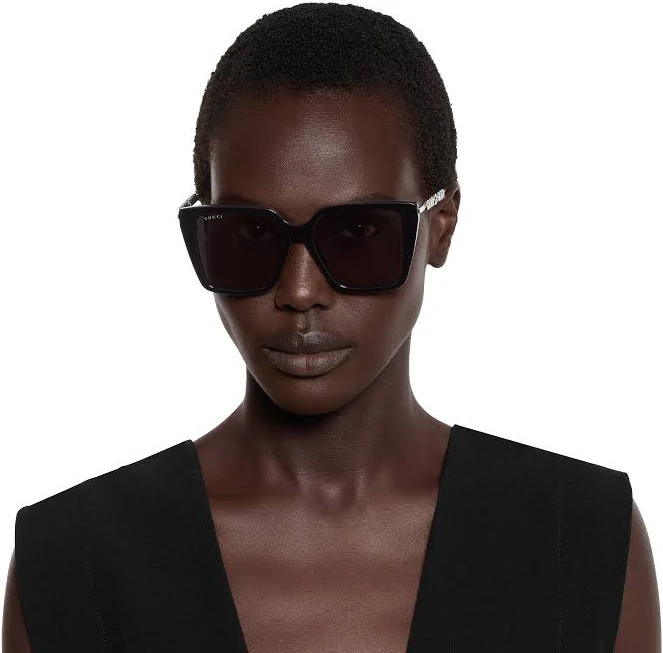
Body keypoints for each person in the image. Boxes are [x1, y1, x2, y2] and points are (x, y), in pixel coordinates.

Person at [3, 3, 659, 652]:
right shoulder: (70, 562)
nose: (299, 292)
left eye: (358, 233)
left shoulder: (581, 540)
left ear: (441, 225)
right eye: (248, 236)